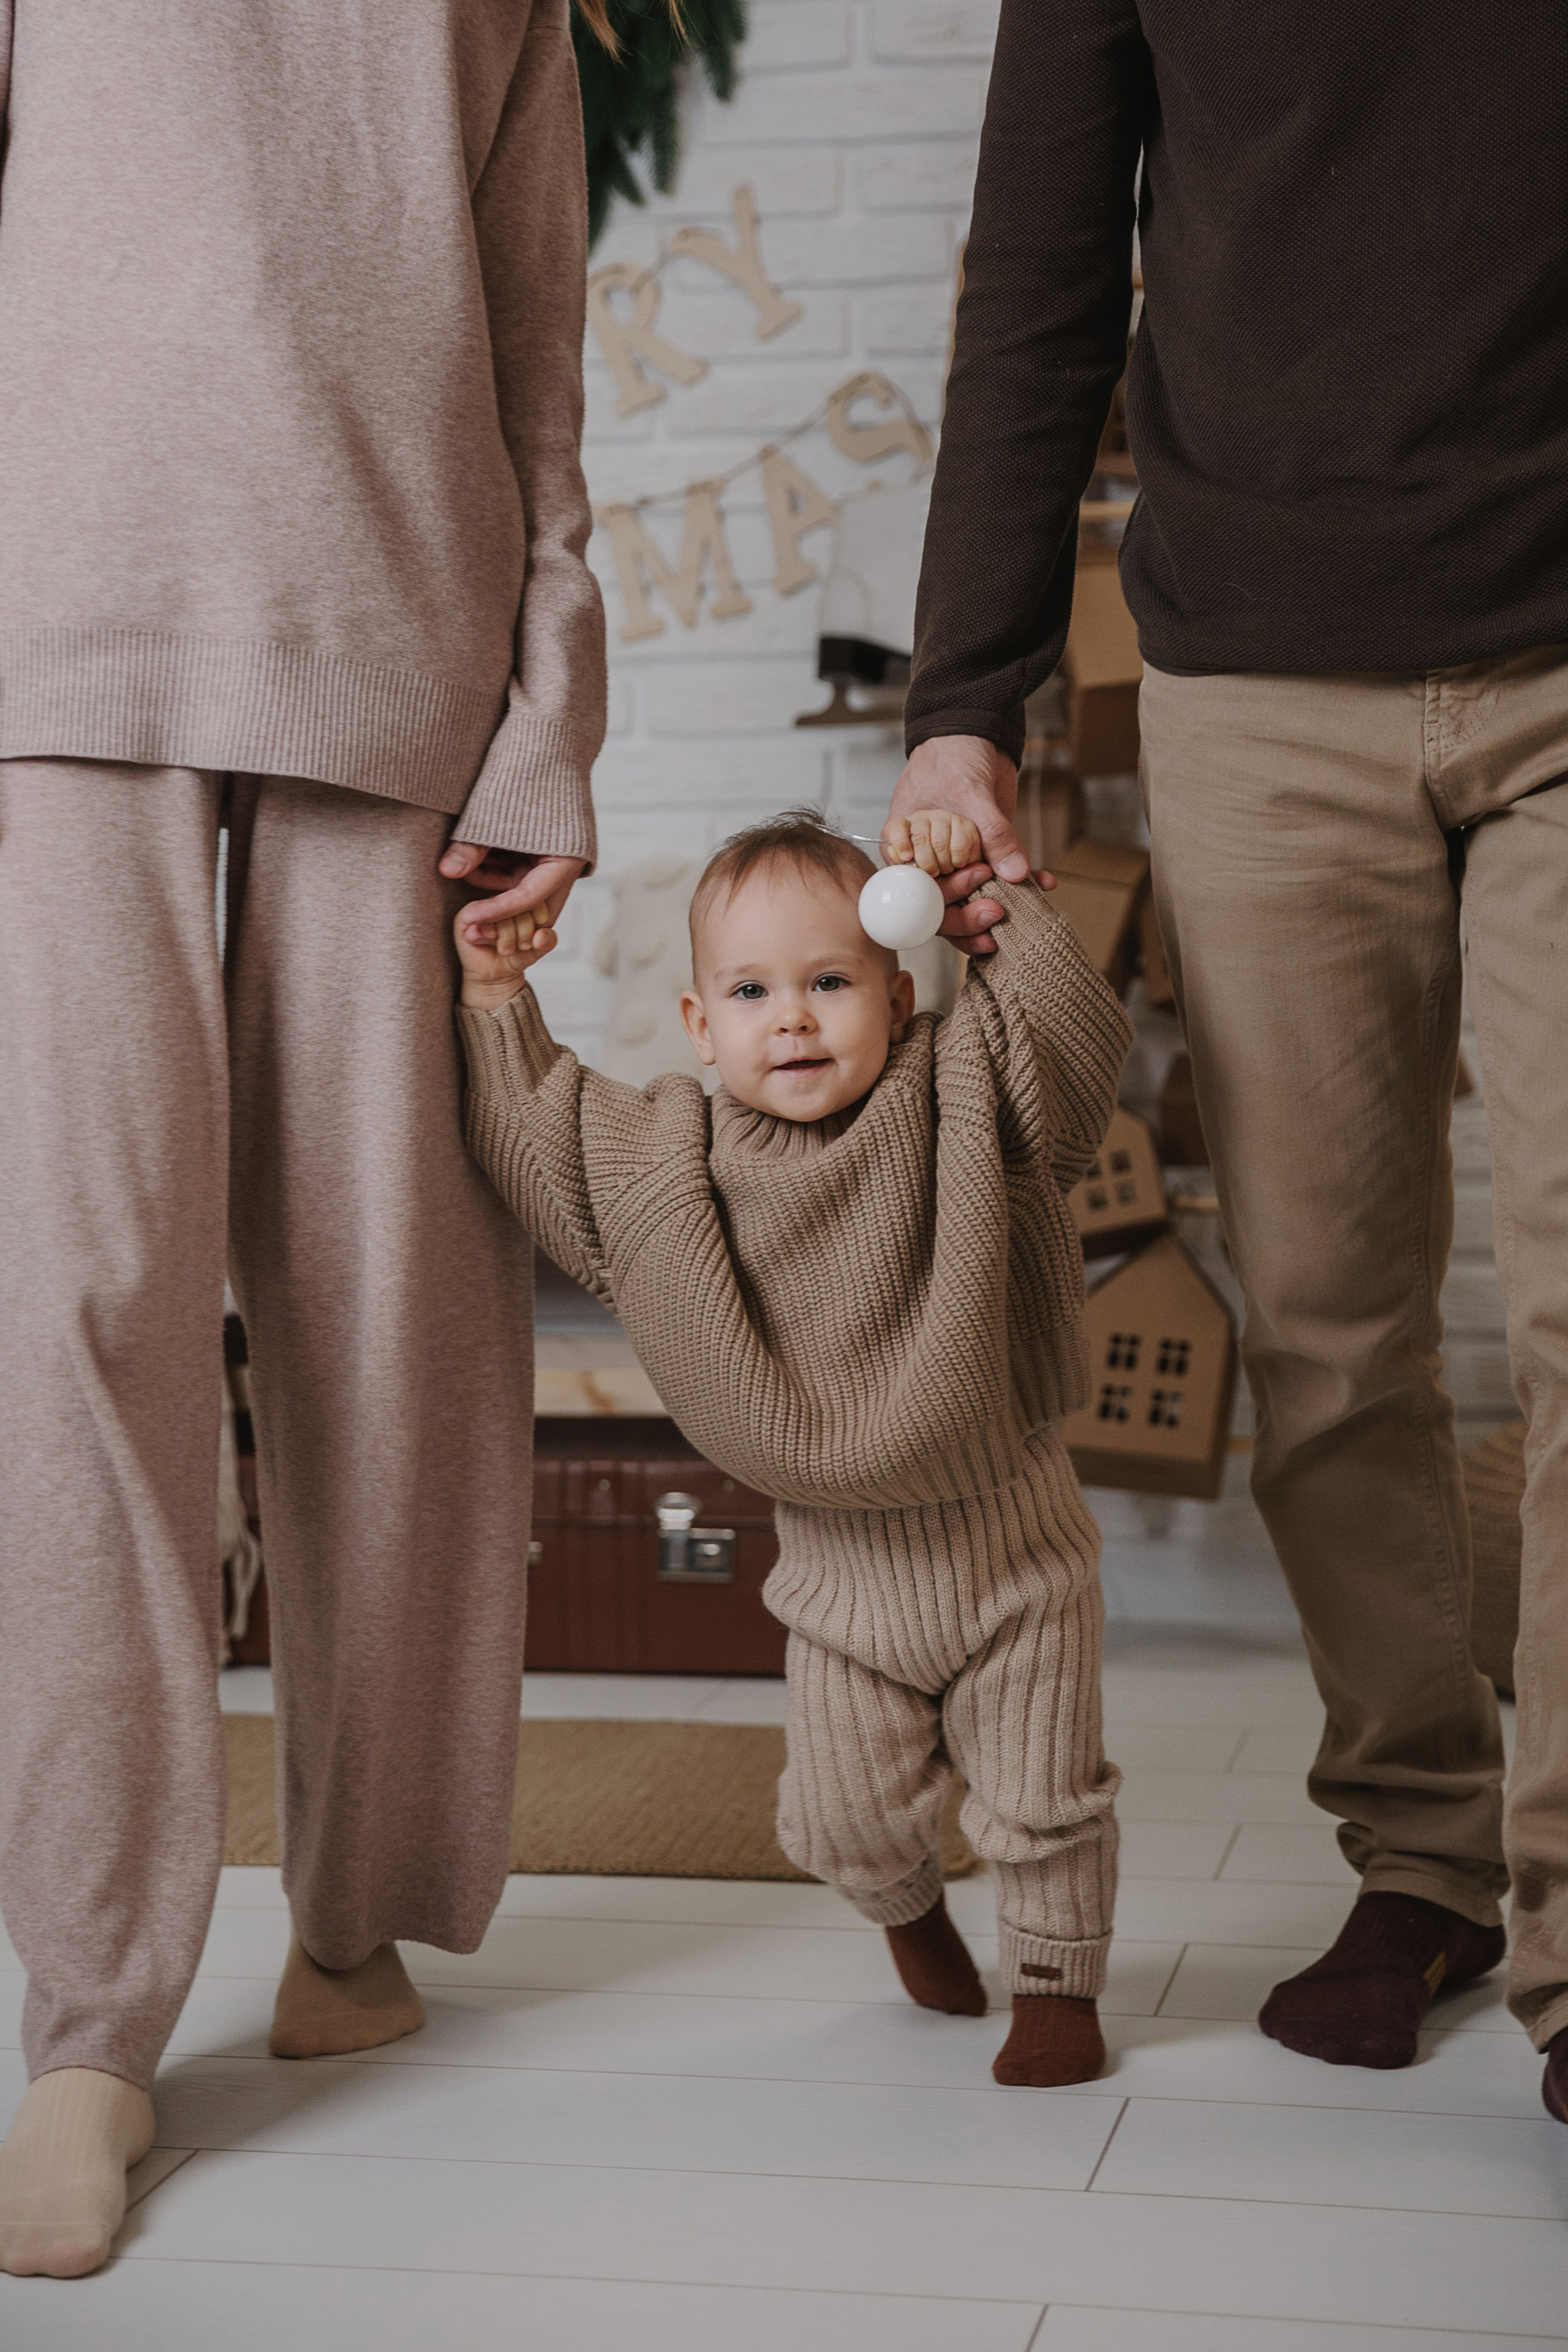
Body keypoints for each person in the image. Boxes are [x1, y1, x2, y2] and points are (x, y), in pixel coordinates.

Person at [890, 0, 1568, 2114]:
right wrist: (966, 691)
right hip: (1261, 668)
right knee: (1335, 1329)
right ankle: (1434, 1849)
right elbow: (1041, 268)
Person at [0, 0, 612, 2277]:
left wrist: (552, 715)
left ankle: (358, 1916)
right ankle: (90, 2022)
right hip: (57, 644)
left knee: (393, 1331)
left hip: (400, 646)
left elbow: (536, 348)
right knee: (80, 1325)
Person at [453, 806, 1131, 2087]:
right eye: (752, 991)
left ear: (898, 986)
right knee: (840, 1823)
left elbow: (1068, 1045)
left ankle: (1057, 1985)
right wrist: (495, 994)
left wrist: (994, 902)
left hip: (1012, 1549)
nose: (794, 1019)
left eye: (830, 983)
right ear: (701, 1026)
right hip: (834, 1584)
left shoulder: (961, 1093)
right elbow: (545, 1139)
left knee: (1044, 1797)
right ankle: (909, 1914)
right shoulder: (672, 1158)